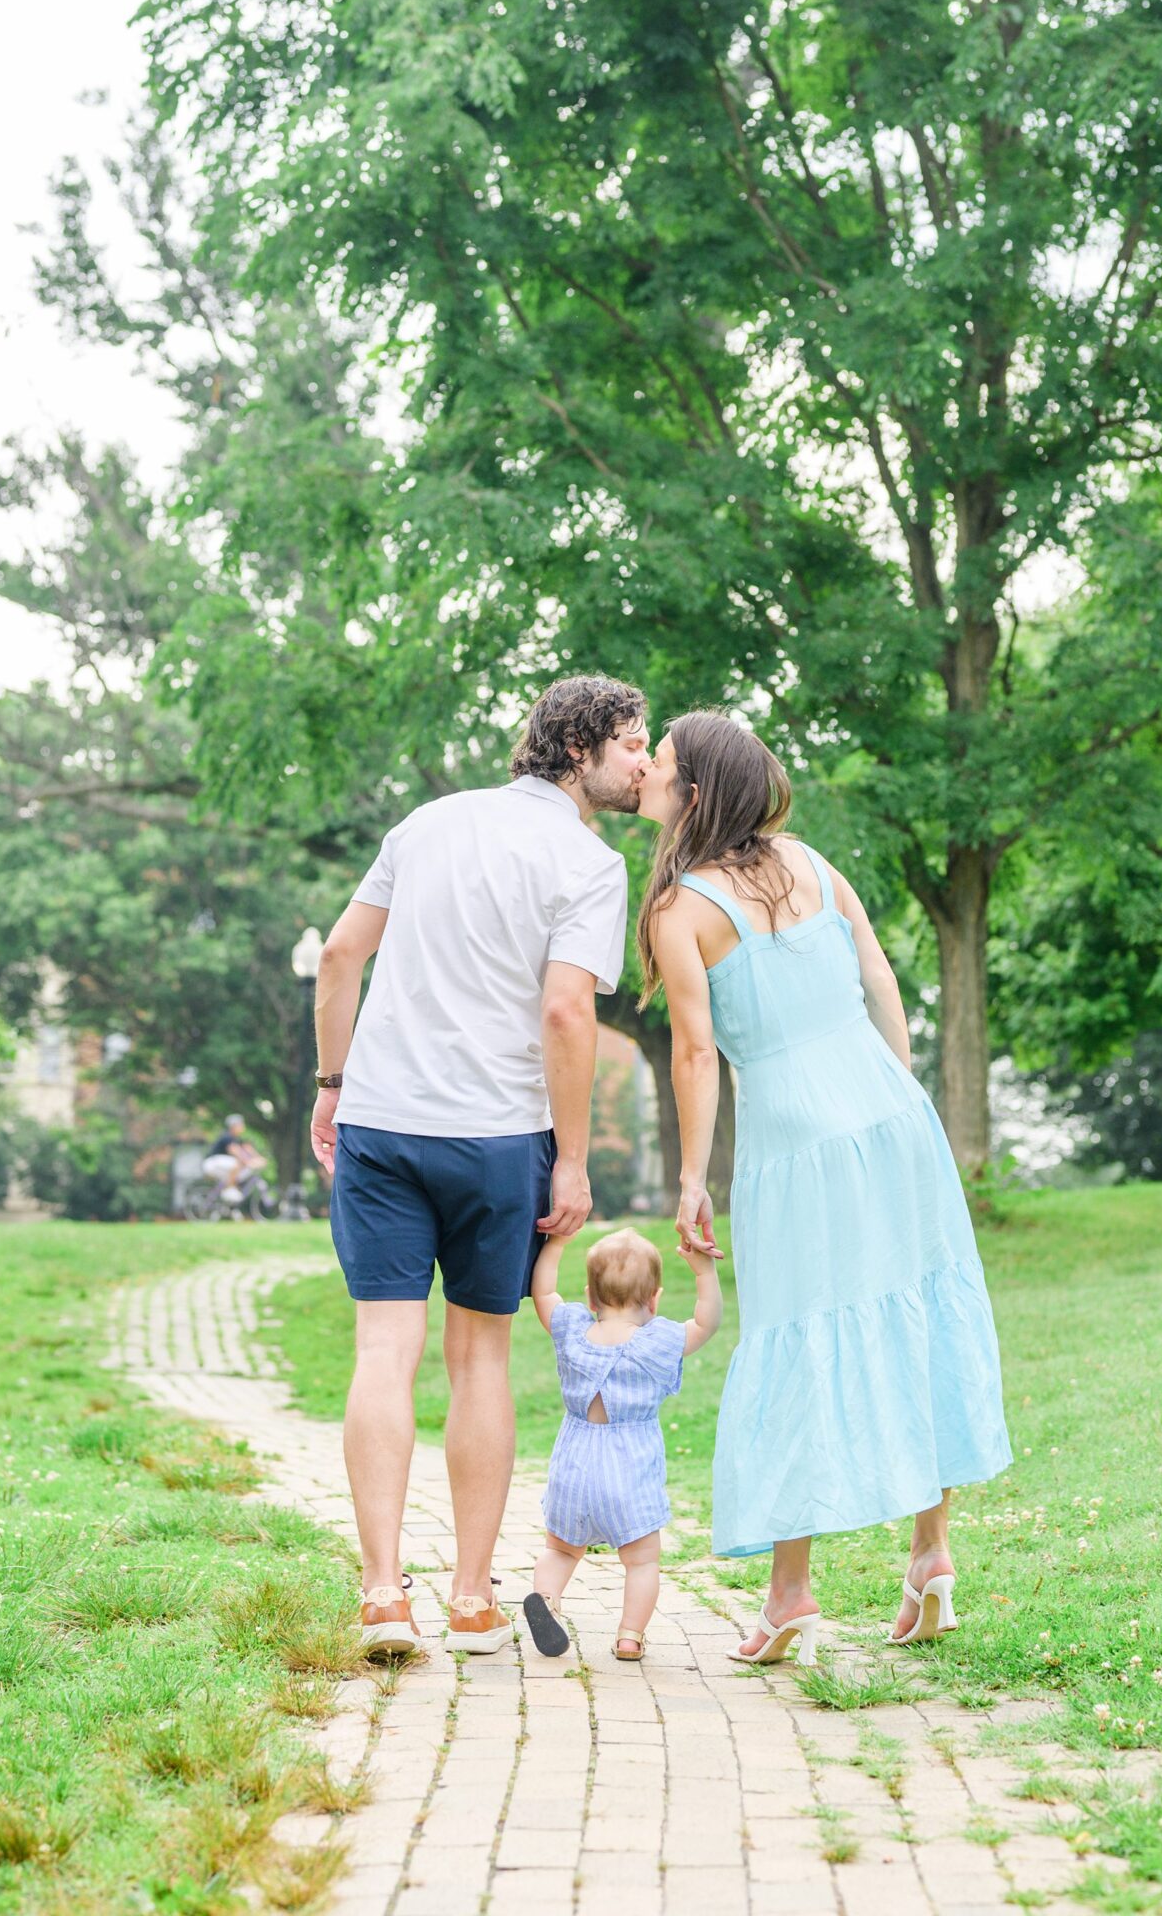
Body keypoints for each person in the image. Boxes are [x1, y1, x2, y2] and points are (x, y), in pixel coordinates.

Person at [639, 712, 1012, 1659]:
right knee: (912, 1311)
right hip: (888, 1113)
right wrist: (899, 1098)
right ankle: (931, 1556)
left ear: (693, 794)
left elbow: (695, 1052)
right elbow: (878, 974)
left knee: (797, 1337)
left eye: (662, 764)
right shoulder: (810, 861)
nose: (644, 771)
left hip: (794, 1137)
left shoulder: (680, 909)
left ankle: (791, 1594)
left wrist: (691, 1177)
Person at [309, 675, 651, 1659]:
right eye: (631, 742)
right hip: (501, 1135)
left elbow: (339, 957)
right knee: (479, 1357)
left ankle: (380, 1592)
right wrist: (574, 1160)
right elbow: (563, 1011)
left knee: (383, 1351)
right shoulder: (586, 861)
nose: (642, 762)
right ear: (580, 749)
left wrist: (331, 1082)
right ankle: (466, 1597)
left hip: (380, 1120)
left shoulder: (425, 824)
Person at [523, 1226, 723, 1663]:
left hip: (574, 1466)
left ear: (590, 1299)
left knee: (559, 1549)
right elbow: (707, 1322)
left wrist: (555, 1244)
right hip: (628, 1470)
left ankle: (548, 1600)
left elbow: (544, 1294)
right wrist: (704, 1272)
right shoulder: (658, 1343)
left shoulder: (573, 1332)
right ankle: (630, 1636)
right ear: (654, 1299)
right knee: (642, 1561)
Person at [200, 1112, 264, 1204]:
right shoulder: (227, 1137)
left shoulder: (237, 1139)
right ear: (233, 1126)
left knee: (238, 1174)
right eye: (240, 1124)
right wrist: (249, 1161)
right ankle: (229, 1190)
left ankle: (228, 1203)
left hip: (220, 1165)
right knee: (236, 1164)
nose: (243, 1127)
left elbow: (247, 1149)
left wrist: (258, 1158)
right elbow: (237, 1153)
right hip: (212, 1163)